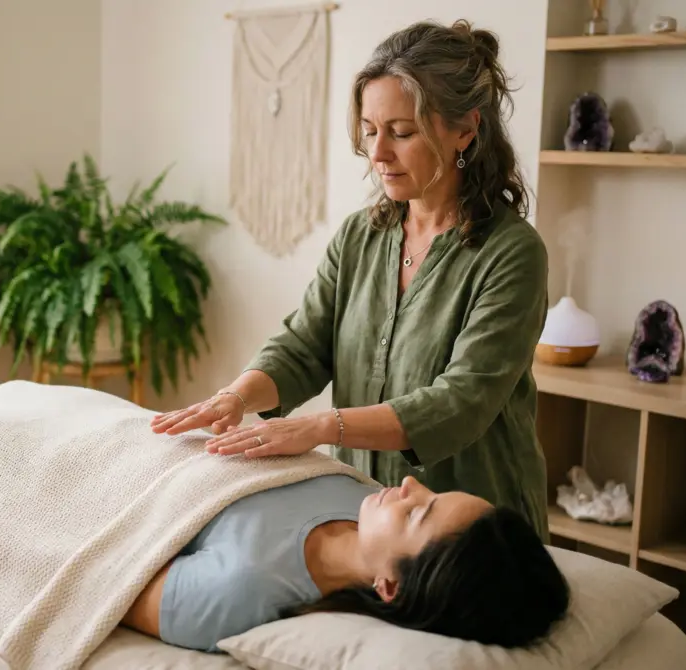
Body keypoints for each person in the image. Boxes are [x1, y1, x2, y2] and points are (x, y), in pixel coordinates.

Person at [151, 19, 552, 540]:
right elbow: (304, 346)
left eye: (402, 132)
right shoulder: (360, 236)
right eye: (369, 130)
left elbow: (463, 402)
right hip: (370, 517)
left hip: (478, 528)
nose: (378, 153)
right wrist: (236, 397)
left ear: (465, 129)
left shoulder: (512, 253)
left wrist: (322, 426)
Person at [121, 474, 569, 653]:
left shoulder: (240, 591)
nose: (408, 483)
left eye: (416, 513)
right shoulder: (358, 495)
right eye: (431, 492)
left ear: (390, 586)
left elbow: (114, 577)